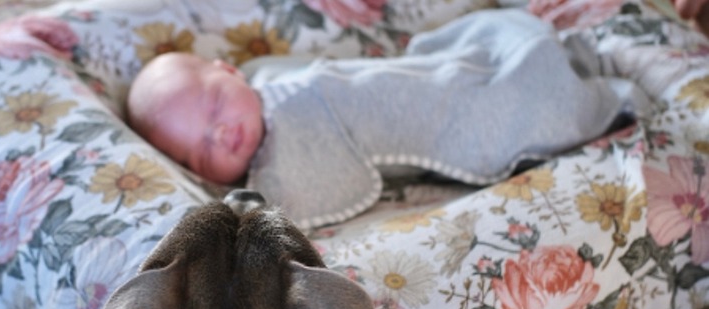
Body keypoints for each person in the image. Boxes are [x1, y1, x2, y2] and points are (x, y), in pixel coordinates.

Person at [127, 8, 649, 229]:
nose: (221, 132)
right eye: (201, 151)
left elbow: (294, 204)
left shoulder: (286, 113)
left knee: (519, 112)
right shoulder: (264, 89)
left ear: (229, 69)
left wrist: (249, 212)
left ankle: (594, 85)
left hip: (452, 103)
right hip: (436, 85)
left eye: (215, 104)